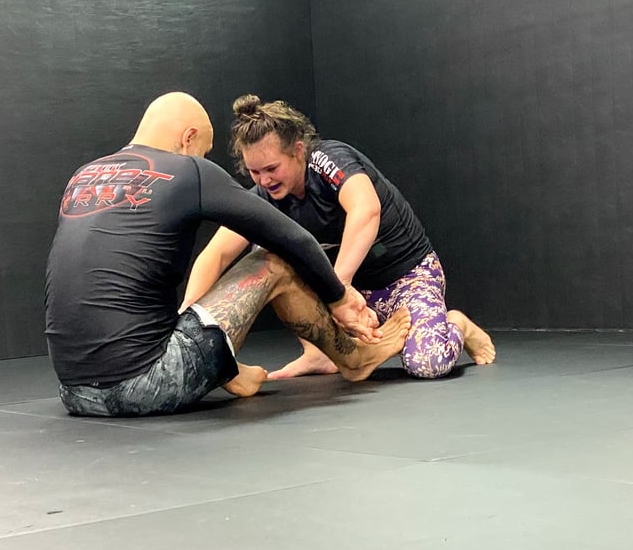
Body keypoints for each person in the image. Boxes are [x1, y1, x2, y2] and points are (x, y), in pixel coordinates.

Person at [44, 92, 410, 417]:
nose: (203, 158)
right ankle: (355, 358)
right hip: (146, 385)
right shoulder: (188, 170)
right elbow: (291, 238)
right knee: (273, 260)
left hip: (73, 391)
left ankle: (223, 368)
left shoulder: (84, 176)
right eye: (204, 151)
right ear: (188, 138)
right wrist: (339, 297)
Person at [181, 94, 495, 380]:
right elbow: (217, 254)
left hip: (407, 279)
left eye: (272, 168)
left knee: (428, 363)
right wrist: (187, 319)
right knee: (266, 256)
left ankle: (458, 324)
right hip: (350, 301)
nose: (264, 180)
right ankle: (318, 353)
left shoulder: (328, 160)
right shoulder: (265, 195)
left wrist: (338, 287)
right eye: (254, 172)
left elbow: (366, 210)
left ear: (298, 151)